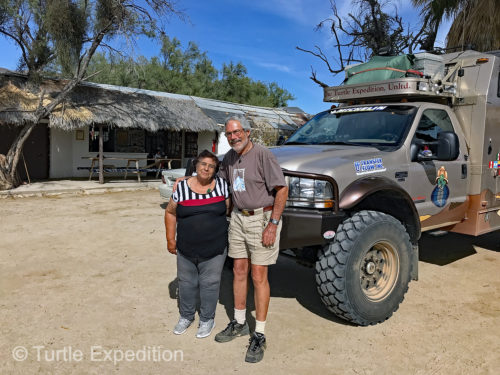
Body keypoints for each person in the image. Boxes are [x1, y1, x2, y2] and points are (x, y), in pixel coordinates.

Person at [214, 115, 288, 363]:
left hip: (262, 219)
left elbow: (282, 189)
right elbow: (220, 183)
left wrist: (273, 224)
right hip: (238, 218)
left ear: (247, 132)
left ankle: (259, 334)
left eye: (236, 132)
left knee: (258, 275)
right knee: (238, 270)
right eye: (229, 134)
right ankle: (239, 322)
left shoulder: (263, 155)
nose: (233, 137)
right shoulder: (229, 158)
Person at [164, 150, 230, 338]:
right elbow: (170, 212)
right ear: (196, 165)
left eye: (211, 166)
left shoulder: (223, 186)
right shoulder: (181, 188)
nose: (206, 168)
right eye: (203, 164)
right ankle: (186, 316)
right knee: (186, 283)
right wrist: (170, 239)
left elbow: (227, 209)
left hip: (215, 248)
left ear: (215, 169)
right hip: (186, 247)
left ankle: (207, 319)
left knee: (210, 283)